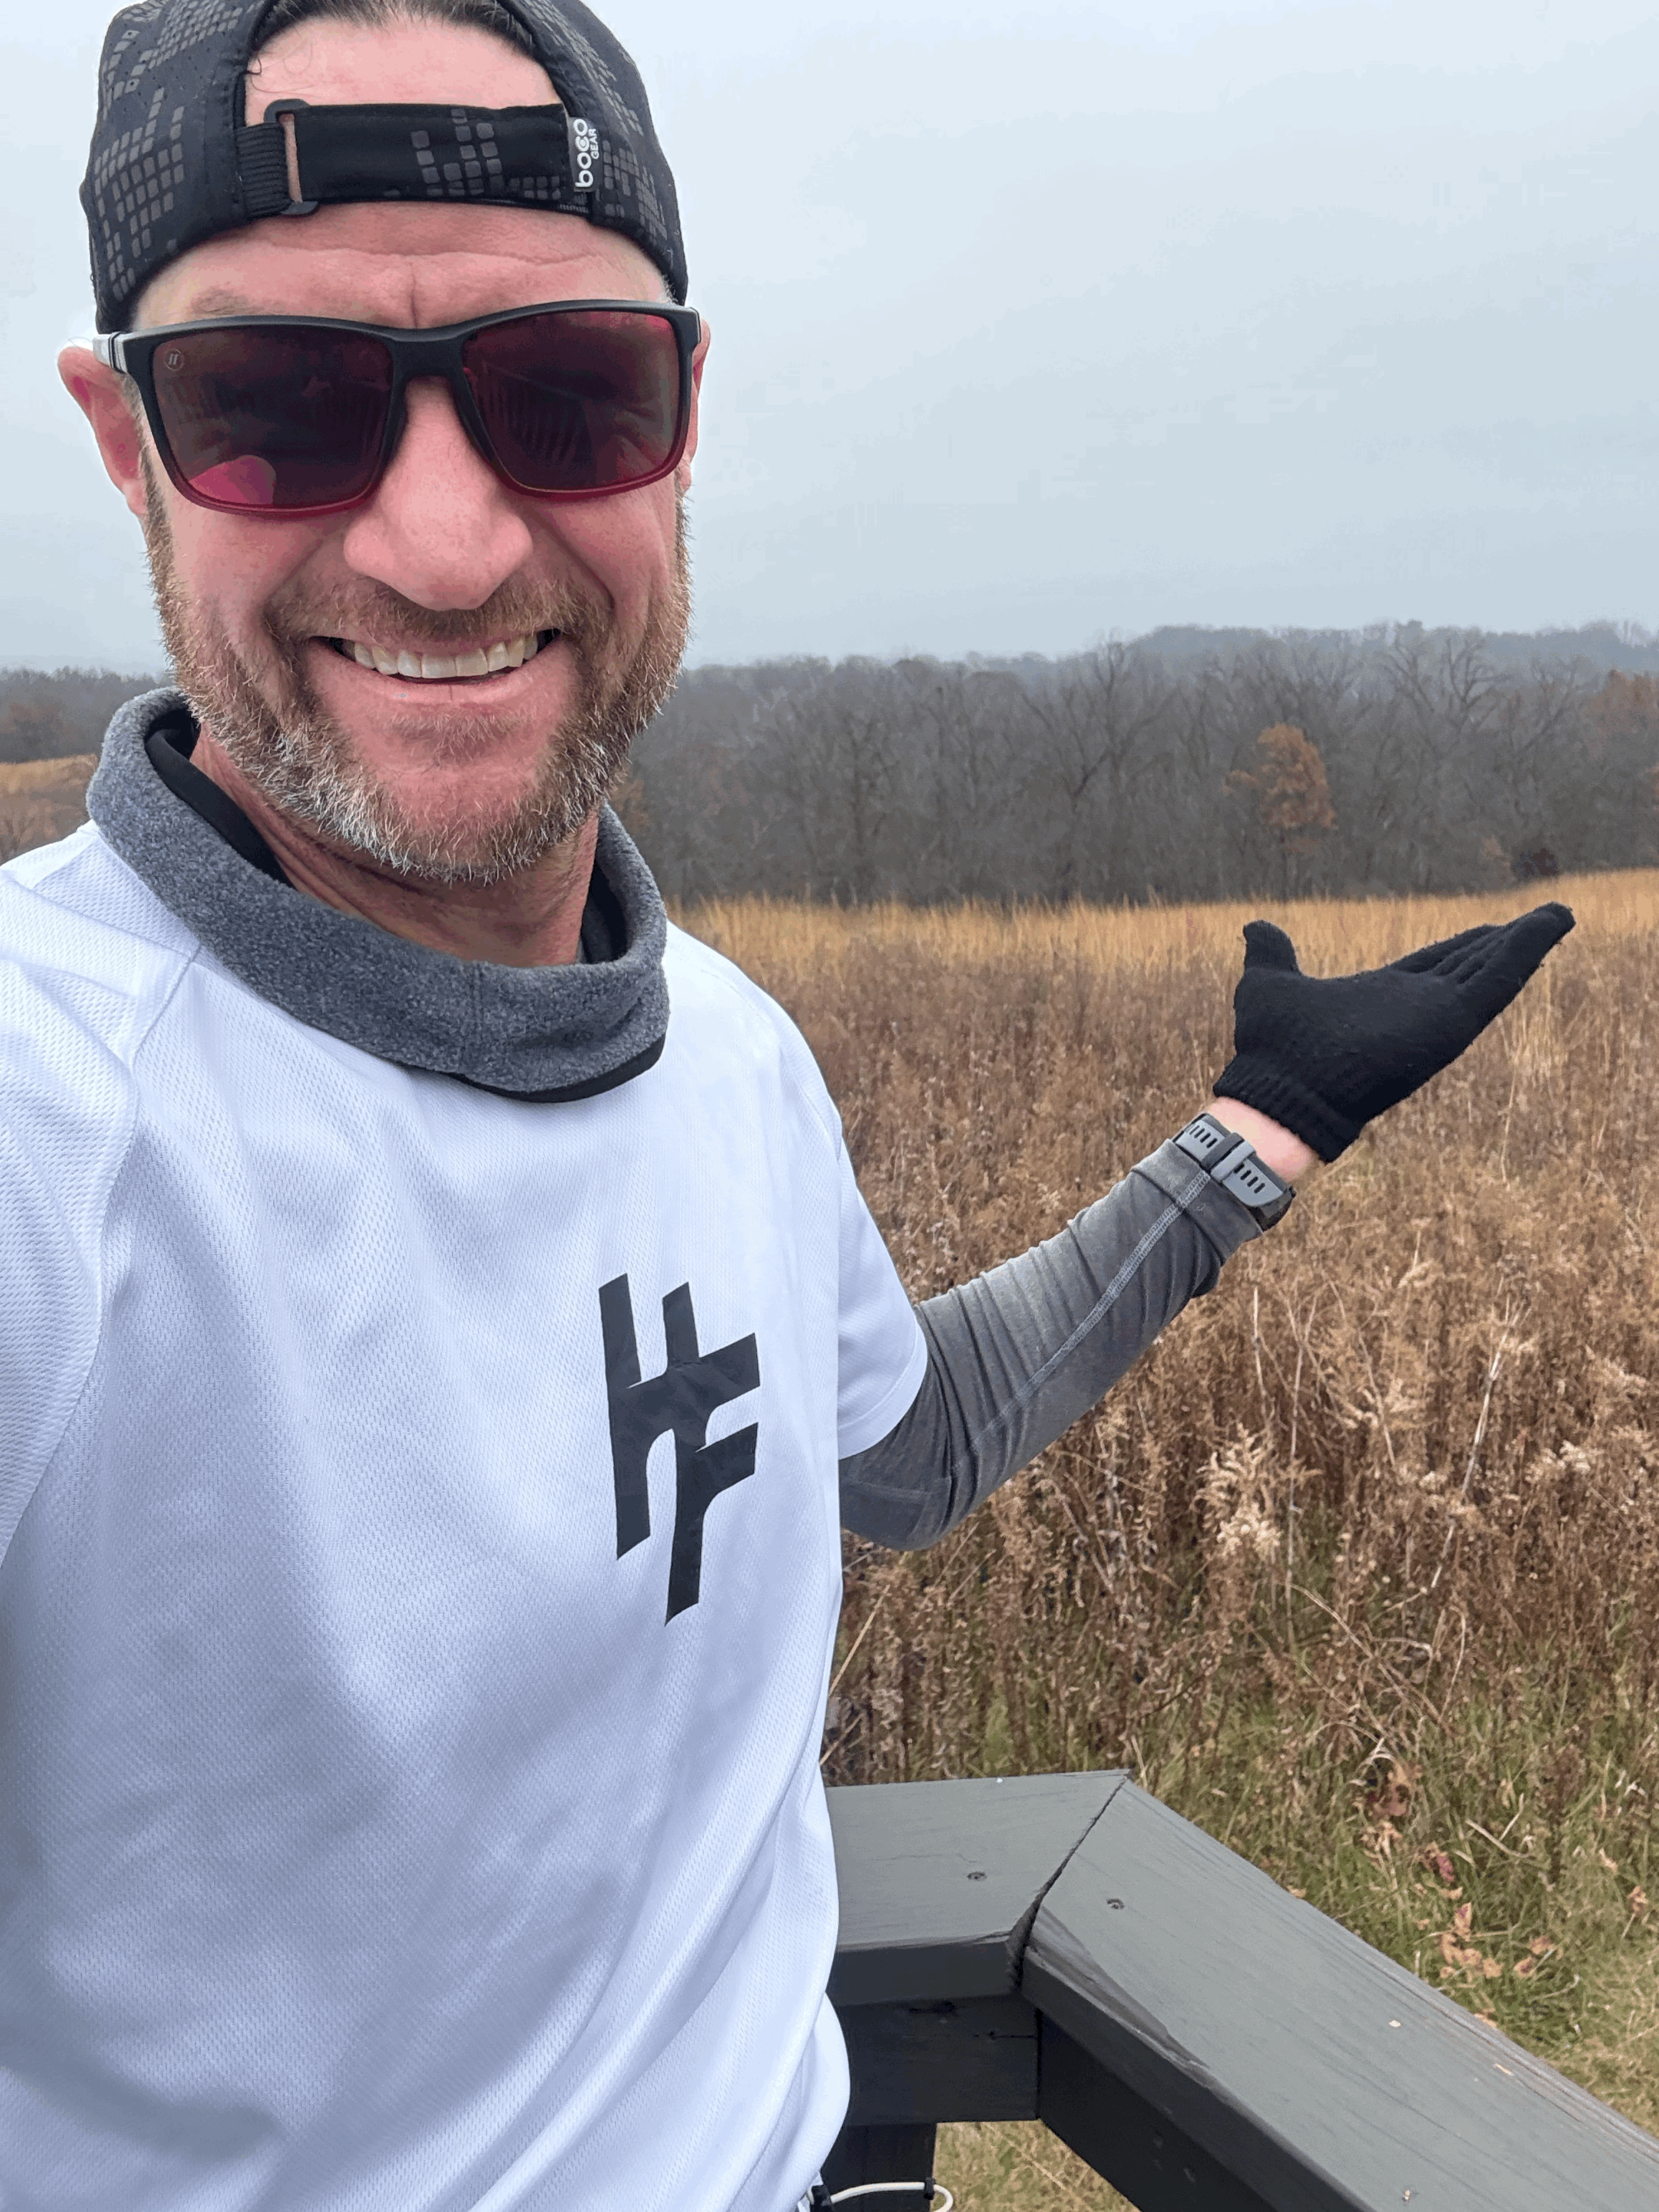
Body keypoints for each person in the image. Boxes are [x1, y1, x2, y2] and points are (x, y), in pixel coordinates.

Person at [6, 0, 1571, 2205]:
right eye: (277, 408)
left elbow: (900, 1452)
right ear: (125, 444)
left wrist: (1255, 1137)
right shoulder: (45, 1119)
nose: (445, 547)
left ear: (681, 420)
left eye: (568, 392)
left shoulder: (724, 1047)